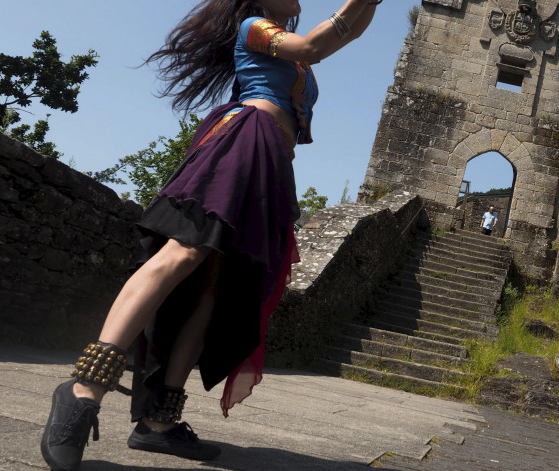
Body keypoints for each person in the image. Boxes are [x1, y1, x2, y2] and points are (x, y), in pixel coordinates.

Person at [40, 1, 379, 469]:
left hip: (269, 162)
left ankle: (159, 423)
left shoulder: (286, 49)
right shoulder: (254, 27)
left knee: (214, 290)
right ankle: (82, 390)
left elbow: (347, 35)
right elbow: (316, 44)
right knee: (183, 253)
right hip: (244, 141)